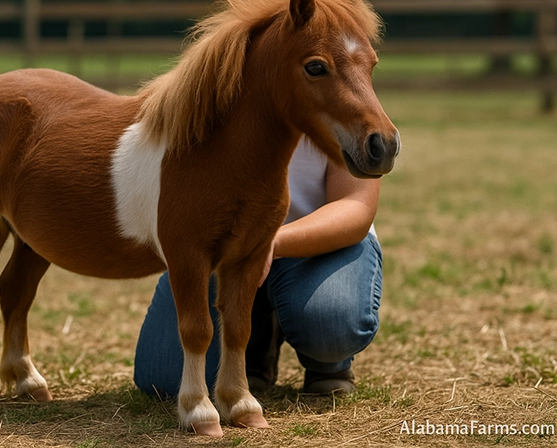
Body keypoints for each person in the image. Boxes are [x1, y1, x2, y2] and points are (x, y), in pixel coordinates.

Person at [133, 139, 383, 397]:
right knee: (163, 377)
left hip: (319, 244)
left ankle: (329, 363)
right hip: (226, 246)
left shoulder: (339, 98)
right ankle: (257, 344)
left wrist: (268, 241)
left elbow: (356, 204)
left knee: (329, 324)